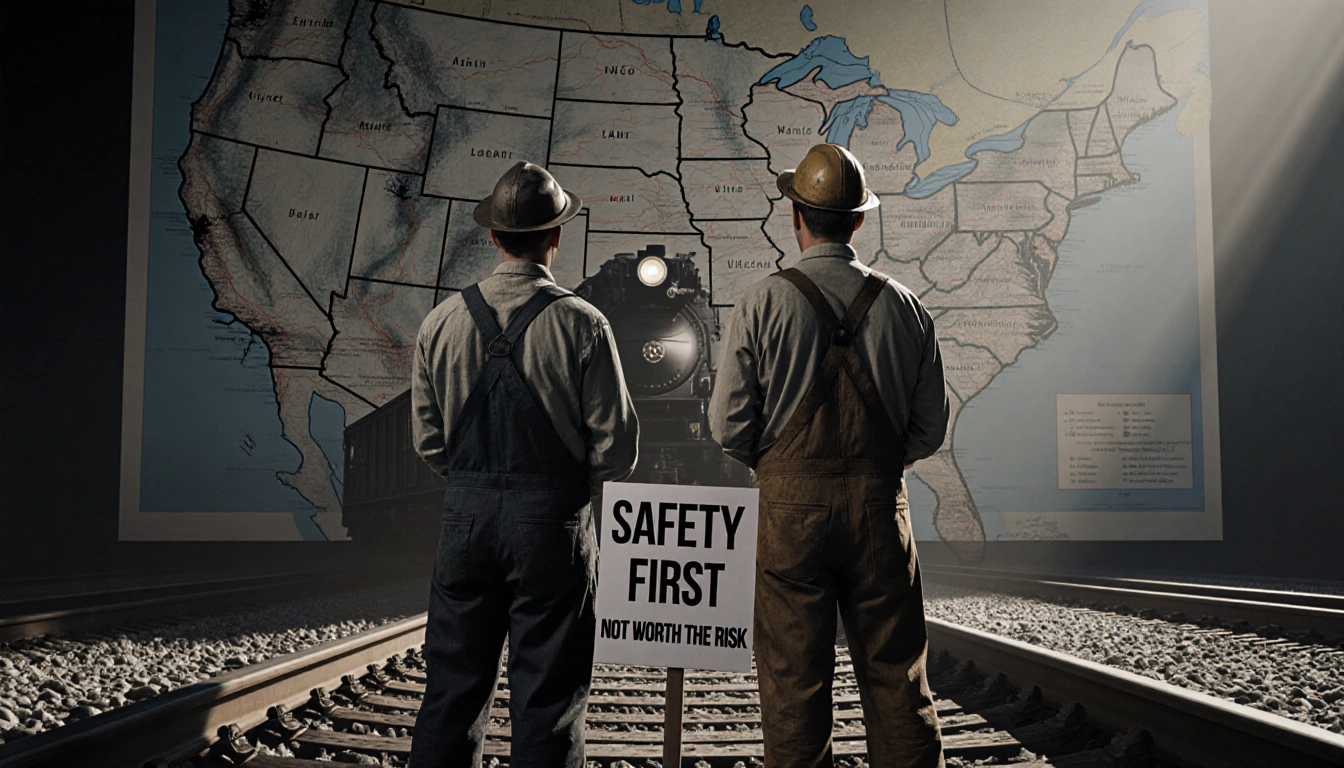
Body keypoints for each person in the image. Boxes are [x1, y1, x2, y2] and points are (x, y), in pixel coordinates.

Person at [708, 143, 949, 767]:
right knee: (898, 680)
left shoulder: (762, 302)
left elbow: (729, 425)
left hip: (790, 516)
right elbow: (928, 431)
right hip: (877, 508)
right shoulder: (905, 307)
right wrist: (875, 465)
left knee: (793, 684)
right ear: (859, 221)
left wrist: (781, 466)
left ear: (796, 217)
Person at [409, 161, 639, 767]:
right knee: (550, 700)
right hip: (551, 527)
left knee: (450, 694)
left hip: (465, 521)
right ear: (555, 238)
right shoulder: (583, 324)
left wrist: (476, 487)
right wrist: (562, 490)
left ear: (492, 237)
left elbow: (430, 445)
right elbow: (617, 447)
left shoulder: (440, 323)